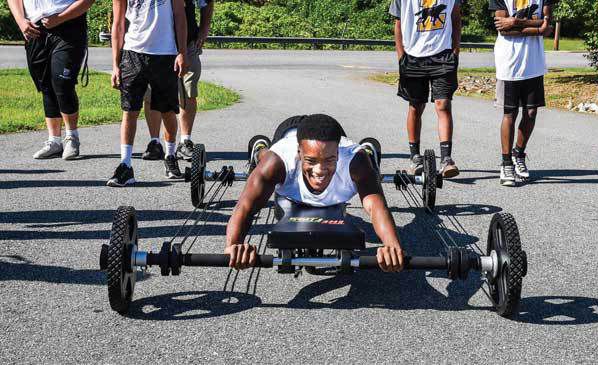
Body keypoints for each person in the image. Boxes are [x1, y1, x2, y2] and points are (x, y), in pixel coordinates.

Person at [224, 114, 405, 272]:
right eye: (311, 161)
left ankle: (368, 151)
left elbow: (376, 205)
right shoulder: (279, 161)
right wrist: (233, 245)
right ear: (299, 154)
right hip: (287, 130)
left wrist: (391, 245)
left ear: (339, 154)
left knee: (368, 166)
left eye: (329, 160)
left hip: (332, 133)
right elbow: (245, 208)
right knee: (266, 157)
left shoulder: (355, 161)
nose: (319, 170)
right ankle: (259, 148)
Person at [107, 0, 188, 186]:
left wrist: (182, 52)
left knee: (167, 110)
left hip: (165, 53)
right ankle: (125, 165)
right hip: (132, 53)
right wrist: (115, 64)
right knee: (129, 111)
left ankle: (170, 155)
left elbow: (179, 16)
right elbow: (118, 23)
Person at [8, 0, 93, 160]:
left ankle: (71, 137)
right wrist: (20, 21)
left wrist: (61, 17)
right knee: (45, 84)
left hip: (69, 24)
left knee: (62, 82)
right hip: (35, 28)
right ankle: (54, 141)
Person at [389, 0, 462, 177]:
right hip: (413, 57)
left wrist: (455, 50)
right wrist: (401, 56)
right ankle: (415, 157)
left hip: (443, 56)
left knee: (443, 104)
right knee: (416, 106)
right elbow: (398, 24)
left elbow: (455, 18)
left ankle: (446, 159)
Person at [488, 0, 553, 187]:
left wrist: (516, 22)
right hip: (509, 63)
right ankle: (506, 162)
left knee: (531, 112)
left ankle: (519, 153)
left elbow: (547, 27)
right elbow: (503, 29)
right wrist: (537, 26)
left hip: (533, 63)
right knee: (510, 113)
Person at [141, 0, 214, 161]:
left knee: (188, 91)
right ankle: (155, 143)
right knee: (151, 94)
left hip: (187, 44)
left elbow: (207, 3)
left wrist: (204, 31)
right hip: (155, 45)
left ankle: (185, 141)